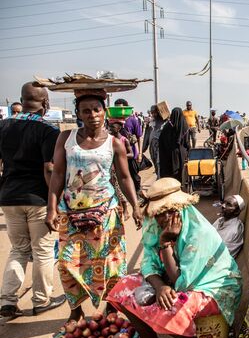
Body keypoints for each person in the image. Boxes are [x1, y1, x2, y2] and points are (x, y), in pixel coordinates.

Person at [106, 178, 242, 338]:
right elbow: (148, 262)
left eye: (168, 212)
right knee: (122, 288)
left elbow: (185, 283)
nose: (163, 219)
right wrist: (159, 285)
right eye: (158, 213)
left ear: (180, 208)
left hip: (213, 286)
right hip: (175, 280)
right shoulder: (153, 226)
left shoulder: (198, 233)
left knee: (173, 307)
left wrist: (166, 244)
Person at [45, 88, 142, 321]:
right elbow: (58, 174)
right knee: (68, 265)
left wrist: (136, 205)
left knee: (110, 264)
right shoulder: (65, 138)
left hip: (105, 212)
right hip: (71, 213)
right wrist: (51, 208)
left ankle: (112, 307)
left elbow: (125, 177)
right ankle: (75, 310)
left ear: (105, 111)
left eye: (97, 109)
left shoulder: (114, 143)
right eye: (86, 110)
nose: (92, 115)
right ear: (78, 113)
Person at [0, 82, 65, 318]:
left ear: (21, 100)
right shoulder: (48, 131)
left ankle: (7, 301)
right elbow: (49, 169)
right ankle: (41, 300)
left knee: (18, 250)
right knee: (43, 251)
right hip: (37, 197)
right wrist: (54, 204)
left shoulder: (3, 126)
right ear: (45, 103)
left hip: (9, 197)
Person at [114, 98, 143, 195]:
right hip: (117, 153)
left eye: (121, 108)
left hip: (131, 153)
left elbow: (138, 137)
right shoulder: (113, 121)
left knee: (134, 175)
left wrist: (139, 154)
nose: (119, 111)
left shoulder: (133, 120)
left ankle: (138, 191)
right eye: (117, 109)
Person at [107, 119, 134, 218]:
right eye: (109, 127)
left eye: (112, 127)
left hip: (120, 168)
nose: (110, 129)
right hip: (111, 169)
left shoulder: (124, 140)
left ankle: (126, 209)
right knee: (111, 189)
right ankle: (117, 209)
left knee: (120, 190)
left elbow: (131, 154)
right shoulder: (109, 140)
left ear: (119, 128)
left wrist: (120, 156)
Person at [159, 108, 189, 181]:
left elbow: (161, 141)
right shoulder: (185, 126)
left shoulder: (167, 127)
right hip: (181, 154)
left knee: (170, 174)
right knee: (181, 173)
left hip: (169, 154)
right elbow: (187, 142)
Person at [142, 104, 166, 179]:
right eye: (152, 112)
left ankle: (159, 179)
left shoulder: (165, 122)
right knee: (155, 163)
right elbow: (146, 135)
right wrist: (143, 148)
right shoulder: (150, 123)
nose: (153, 114)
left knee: (160, 163)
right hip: (152, 148)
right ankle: (158, 175)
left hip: (161, 147)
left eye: (155, 112)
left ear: (159, 112)